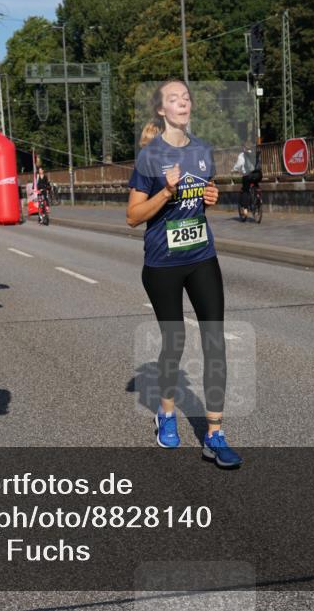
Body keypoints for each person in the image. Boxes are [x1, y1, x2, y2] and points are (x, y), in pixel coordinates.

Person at [125, 79, 242, 469]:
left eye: (186, 97)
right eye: (173, 99)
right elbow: (132, 217)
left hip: (201, 255)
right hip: (162, 263)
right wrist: (165, 193)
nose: (182, 103)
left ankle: (215, 432)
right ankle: (166, 413)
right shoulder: (149, 157)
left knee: (215, 342)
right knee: (173, 342)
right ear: (161, 110)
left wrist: (211, 196)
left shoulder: (202, 150)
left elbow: (203, 194)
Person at [233, 144, 262, 215]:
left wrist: (234, 169)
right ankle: (258, 196)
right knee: (255, 183)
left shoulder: (242, 155)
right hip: (258, 175)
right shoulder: (256, 153)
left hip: (248, 176)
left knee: (245, 190)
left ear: (244, 148)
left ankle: (245, 209)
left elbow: (238, 165)